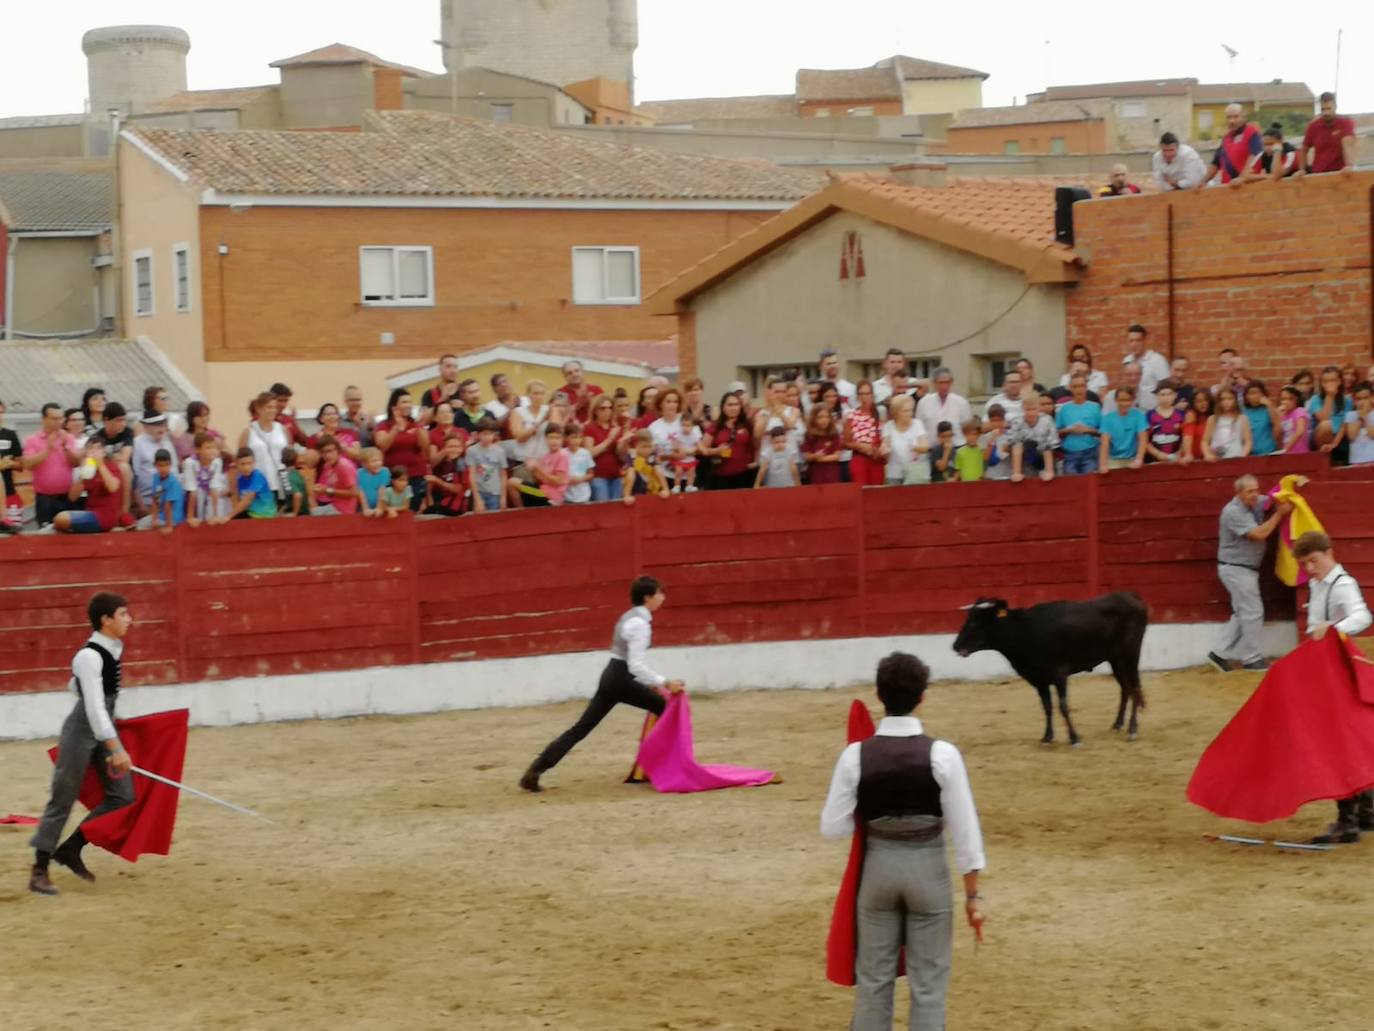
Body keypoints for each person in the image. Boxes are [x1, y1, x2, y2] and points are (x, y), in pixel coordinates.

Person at [820, 651, 985, 1031]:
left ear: (880, 696)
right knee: (929, 986)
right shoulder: (943, 755)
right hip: (929, 871)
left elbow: (833, 828)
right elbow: (966, 833)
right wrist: (974, 897)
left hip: (878, 872)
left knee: (874, 982)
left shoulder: (856, 756)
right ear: (922, 696)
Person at [520, 576, 684, 792]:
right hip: (621, 679)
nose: (663, 597)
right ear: (648, 597)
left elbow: (629, 663)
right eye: (659, 593)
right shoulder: (640, 624)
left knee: (581, 728)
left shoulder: (628, 617)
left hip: (611, 676)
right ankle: (664, 767)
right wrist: (664, 682)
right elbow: (635, 665)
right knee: (664, 708)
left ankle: (535, 770)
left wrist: (651, 683)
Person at [28, 592, 137, 895]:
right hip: (81, 731)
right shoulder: (88, 656)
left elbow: (81, 690)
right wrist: (115, 746)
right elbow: (93, 706)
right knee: (62, 798)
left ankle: (70, 848)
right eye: (124, 614)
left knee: (123, 795)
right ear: (106, 619)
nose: (129, 619)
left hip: (102, 730)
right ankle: (38, 872)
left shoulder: (113, 649)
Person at [1290, 532, 1374, 843]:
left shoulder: (1343, 584)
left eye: (1314, 560)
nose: (1310, 568)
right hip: (1328, 671)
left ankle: (1347, 821)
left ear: (1329, 553)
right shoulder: (1319, 583)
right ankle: (1366, 813)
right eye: (1305, 563)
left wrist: (1333, 629)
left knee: (1338, 742)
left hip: (1339, 671)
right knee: (1351, 740)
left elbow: (1363, 616)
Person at [1208, 475, 1291, 673]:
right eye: (1250, 492)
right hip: (1237, 568)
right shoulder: (1233, 511)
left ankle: (1218, 654)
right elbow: (1259, 535)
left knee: (1242, 613)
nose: (1255, 495)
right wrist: (1279, 514)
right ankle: (1251, 658)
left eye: (1256, 490)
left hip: (1242, 568)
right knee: (1253, 611)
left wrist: (1290, 487)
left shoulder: (1254, 502)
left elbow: (1271, 497)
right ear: (1238, 494)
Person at [22, 403, 83, 527]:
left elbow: (76, 463)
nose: (59, 422)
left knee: (68, 537)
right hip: (45, 499)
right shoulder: (32, 440)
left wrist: (66, 448)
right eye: (54, 418)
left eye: (61, 418)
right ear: (44, 419)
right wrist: (47, 449)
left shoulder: (68, 437)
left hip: (67, 497)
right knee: (45, 536)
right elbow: (28, 464)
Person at [52, 440, 130, 534]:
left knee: (61, 518)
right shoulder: (89, 469)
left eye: (97, 448)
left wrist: (100, 464)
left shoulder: (111, 467)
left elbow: (113, 487)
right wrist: (82, 475)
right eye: (90, 448)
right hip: (92, 513)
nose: (94, 451)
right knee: (59, 520)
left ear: (104, 452)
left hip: (106, 515)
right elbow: (72, 497)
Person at [375, 389, 427, 512]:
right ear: (394, 406)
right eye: (404, 402)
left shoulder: (415, 425)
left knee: (412, 511)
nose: (408, 405)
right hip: (393, 478)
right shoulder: (384, 425)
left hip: (415, 476)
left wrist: (419, 427)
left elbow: (425, 447)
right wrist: (395, 429)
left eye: (409, 402)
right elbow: (382, 446)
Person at [239, 392, 288, 509]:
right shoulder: (248, 431)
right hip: (257, 486)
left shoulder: (282, 429)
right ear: (258, 408)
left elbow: (288, 456)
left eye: (274, 407)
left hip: (280, 483)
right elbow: (240, 459)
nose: (272, 410)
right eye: (268, 407)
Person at [1297, 91, 1356, 176]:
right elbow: (1303, 150)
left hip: (1340, 173)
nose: (1325, 113)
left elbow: (1347, 144)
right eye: (1323, 109)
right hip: (1318, 175)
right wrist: (1302, 169)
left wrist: (1349, 165)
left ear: (1335, 107)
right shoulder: (1313, 126)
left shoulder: (1345, 123)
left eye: (1328, 109)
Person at [706, 393, 756, 491]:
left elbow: (754, 446)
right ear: (723, 407)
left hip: (744, 476)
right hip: (720, 477)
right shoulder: (715, 427)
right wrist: (716, 451)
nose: (733, 408)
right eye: (730, 405)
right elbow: (702, 449)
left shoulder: (747, 425)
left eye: (736, 404)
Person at [183, 432, 229, 526]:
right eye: (208, 448)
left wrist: (215, 515)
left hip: (211, 489)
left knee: (216, 508)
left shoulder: (217, 462)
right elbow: (192, 490)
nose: (213, 451)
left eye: (214, 447)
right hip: (197, 487)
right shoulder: (189, 463)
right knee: (199, 510)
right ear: (197, 450)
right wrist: (190, 517)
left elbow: (214, 487)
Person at [915, 368, 972, 443]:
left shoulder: (962, 402)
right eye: (941, 383)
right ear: (934, 383)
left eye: (947, 382)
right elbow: (919, 428)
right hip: (932, 449)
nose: (944, 386)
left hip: (957, 447)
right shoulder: (924, 402)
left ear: (952, 382)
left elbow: (968, 428)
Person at [1007, 398, 1059, 482]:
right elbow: (1014, 445)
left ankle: (1047, 470)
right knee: (1018, 445)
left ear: (1039, 408)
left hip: (1043, 455)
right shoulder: (1017, 421)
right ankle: (1017, 472)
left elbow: (1049, 446)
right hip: (1026, 456)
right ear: (1022, 408)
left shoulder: (1047, 420)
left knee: (1046, 446)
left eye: (1034, 409)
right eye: (1027, 409)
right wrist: (1016, 472)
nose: (1031, 413)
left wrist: (1049, 471)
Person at [1099, 387, 1147, 472]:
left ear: (1133, 400)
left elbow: (1142, 439)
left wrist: (1139, 459)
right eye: (1121, 400)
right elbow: (1105, 442)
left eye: (1128, 400)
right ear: (1116, 400)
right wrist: (1103, 464)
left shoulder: (1139, 416)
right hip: (1113, 459)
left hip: (1132, 458)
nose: (1125, 403)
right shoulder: (1107, 418)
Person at [1121, 324, 1169, 408]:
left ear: (1145, 341)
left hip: (1152, 408)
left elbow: (1165, 388)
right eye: (1131, 341)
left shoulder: (1158, 360)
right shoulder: (1126, 360)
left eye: (1138, 340)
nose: (1134, 344)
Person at [227, 448, 277, 520]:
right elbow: (236, 501)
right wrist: (232, 481)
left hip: (265, 515)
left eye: (249, 463)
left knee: (232, 518)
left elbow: (247, 500)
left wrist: (228, 516)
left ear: (254, 463)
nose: (246, 467)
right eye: (242, 464)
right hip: (251, 513)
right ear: (237, 464)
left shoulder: (258, 476)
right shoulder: (240, 478)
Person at [1202, 388, 1252, 461]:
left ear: (1235, 400)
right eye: (1223, 399)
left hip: (1236, 458)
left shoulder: (1242, 419)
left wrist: (1243, 455)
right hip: (1216, 460)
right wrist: (1207, 454)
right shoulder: (1212, 419)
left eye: (1230, 398)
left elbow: (1248, 441)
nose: (1226, 402)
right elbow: (1204, 441)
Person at [622, 430, 671, 503]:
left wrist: (666, 489)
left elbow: (658, 470)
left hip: (650, 487)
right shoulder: (632, 455)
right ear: (636, 445)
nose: (647, 450)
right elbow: (630, 476)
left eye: (649, 446)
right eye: (644, 447)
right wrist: (626, 495)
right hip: (635, 488)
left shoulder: (652, 454)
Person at [552, 360, 605, 425]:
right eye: (569, 373)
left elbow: (605, 410)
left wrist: (592, 403)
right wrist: (579, 404)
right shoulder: (560, 393)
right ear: (565, 377)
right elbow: (560, 415)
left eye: (577, 371)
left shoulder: (596, 390)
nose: (574, 375)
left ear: (583, 372)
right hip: (571, 430)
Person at [1144, 382, 1186, 464]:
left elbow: (1186, 437)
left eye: (1169, 394)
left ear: (1175, 395)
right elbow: (1145, 441)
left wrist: (1180, 453)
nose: (1166, 398)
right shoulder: (1149, 416)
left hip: (1178, 459)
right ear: (1156, 396)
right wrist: (1158, 454)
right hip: (1155, 460)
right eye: (1162, 395)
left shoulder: (1181, 415)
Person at [145, 449, 186, 530]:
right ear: (155, 465)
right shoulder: (156, 477)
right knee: (141, 524)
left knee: (143, 527)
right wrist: (154, 519)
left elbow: (168, 505)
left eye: (166, 465)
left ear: (170, 464)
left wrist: (168, 526)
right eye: (160, 465)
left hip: (174, 520)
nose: (163, 468)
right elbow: (155, 500)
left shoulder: (173, 482)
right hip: (162, 516)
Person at [0, 398, 23, 533]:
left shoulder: (10, 434)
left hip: (9, 493)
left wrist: (9, 464)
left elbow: (21, 465)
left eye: (1, 412)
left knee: (13, 534)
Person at [1240, 382, 1281, 456]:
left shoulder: (1268, 408)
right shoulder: (1243, 411)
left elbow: (1276, 425)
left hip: (1268, 451)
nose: (1253, 396)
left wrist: (1269, 405)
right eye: (1250, 393)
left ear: (1262, 394)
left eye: (1256, 393)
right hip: (1250, 453)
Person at [1180, 388, 1214, 463]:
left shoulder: (1212, 416)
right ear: (1193, 403)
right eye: (1199, 401)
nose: (1203, 403)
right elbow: (1188, 435)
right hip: (1192, 459)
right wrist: (1188, 454)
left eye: (1206, 400)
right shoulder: (1191, 414)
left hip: (1208, 457)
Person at [1276, 386, 1311, 454]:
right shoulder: (1283, 415)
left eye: (1290, 399)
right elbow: (1278, 435)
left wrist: (1286, 448)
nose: (1285, 402)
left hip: (1300, 452)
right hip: (1286, 453)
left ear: (1296, 399)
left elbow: (1300, 432)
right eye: (1283, 399)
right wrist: (1278, 418)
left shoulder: (1299, 411)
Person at [1346, 381, 1374, 466]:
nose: (1362, 402)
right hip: (1355, 461)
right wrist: (1359, 418)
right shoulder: (1350, 415)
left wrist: (1365, 418)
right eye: (1359, 399)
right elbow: (1351, 436)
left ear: (1372, 398)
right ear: (1354, 401)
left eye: (1365, 398)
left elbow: (1372, 434)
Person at [340, 386, 375, 450]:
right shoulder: (339, 421)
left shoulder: (369, 419)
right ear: (345, 401)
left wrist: (370, 428)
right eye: (352, 400)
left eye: (358, 400)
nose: (355, 403)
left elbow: (376, 444)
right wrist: (356, 427)